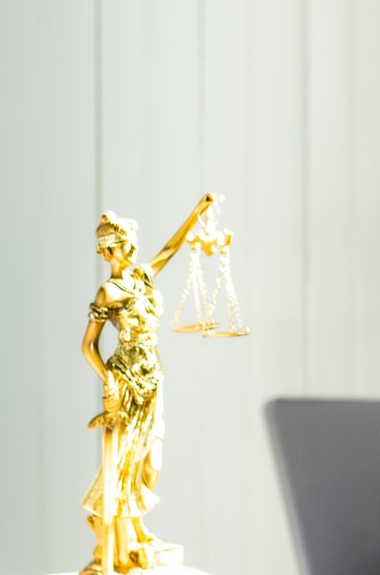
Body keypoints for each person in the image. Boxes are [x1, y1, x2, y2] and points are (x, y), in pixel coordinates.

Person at [80, 194, 214, 574]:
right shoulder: (108, 293)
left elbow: (170, 249)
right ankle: (121, 545)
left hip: (153, 380)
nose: (132, 250)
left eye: (133, 243)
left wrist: (196, 213)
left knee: (151, 465)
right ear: (110, 250)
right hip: (126, 382)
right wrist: (108, 380)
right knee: (124, 463)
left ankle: (136, 531)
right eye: (125, 244)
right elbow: (88, 346)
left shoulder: (142, 277)